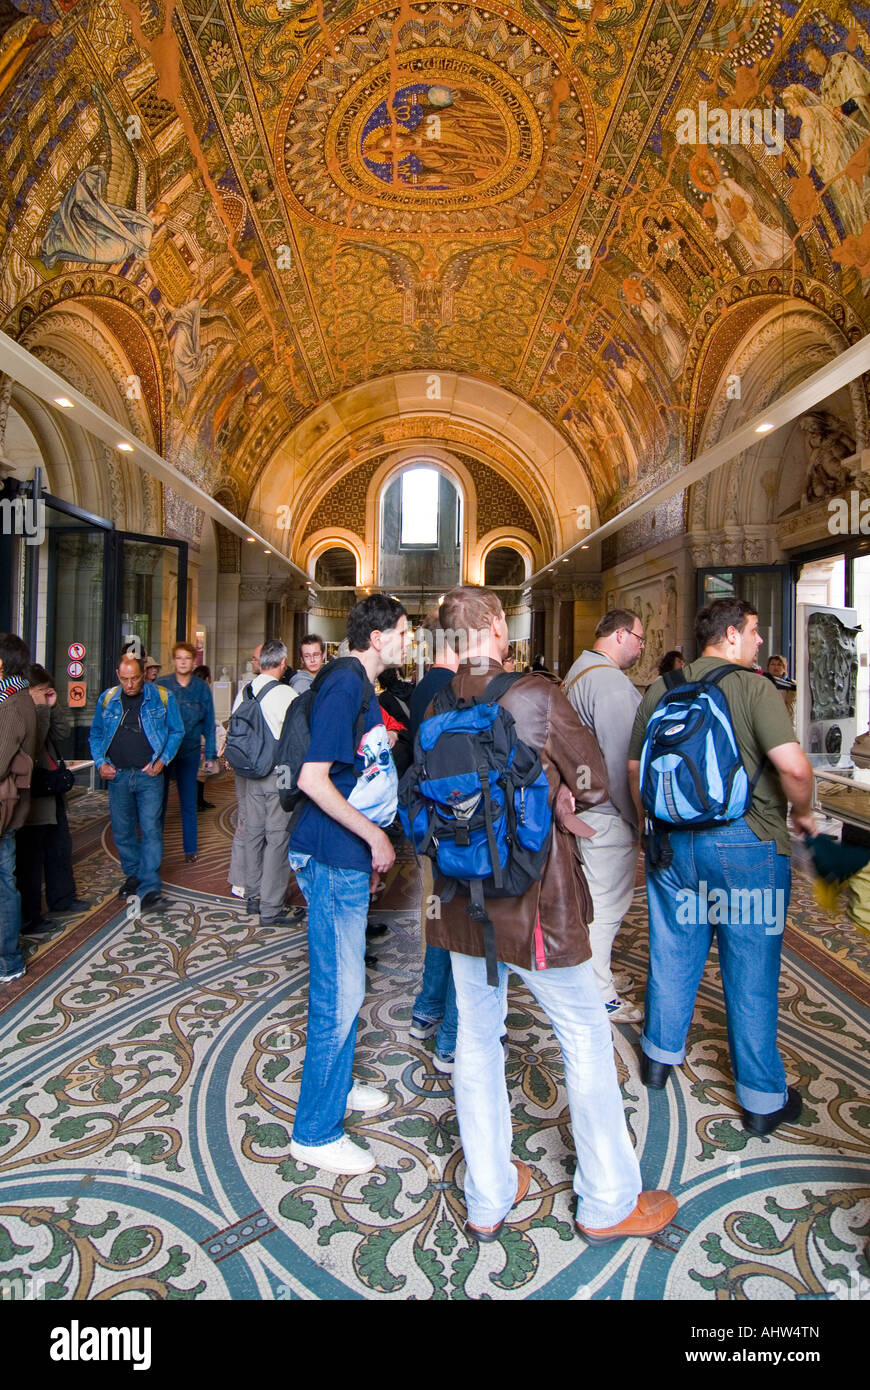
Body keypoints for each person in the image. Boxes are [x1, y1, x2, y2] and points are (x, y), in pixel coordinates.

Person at [426, 586, 677, 1244]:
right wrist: (560, 794)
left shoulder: (436, 700)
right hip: (535, 903)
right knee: (585, 1037)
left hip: (459, 903)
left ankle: (487, 1196)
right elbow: (594, 777)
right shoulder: (535, 694)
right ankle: (608, 1201)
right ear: (495, 628)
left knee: (477, 1044)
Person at [628, 598, 816, 1135]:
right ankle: (760, 1098)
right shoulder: (755, 687)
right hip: (747, 847)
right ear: (731, 636)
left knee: (672, 949)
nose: (759, 641)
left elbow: (635, 767)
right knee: (751, 968)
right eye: (754, 631)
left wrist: (652, 828)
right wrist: (801, 815)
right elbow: (794, 767)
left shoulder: (661, 690)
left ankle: (659, 1057)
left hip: (672, 847)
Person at [288, 595, 411, 1176]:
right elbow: (313, 779)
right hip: (331, 853)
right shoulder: (344, 685)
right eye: (407, 631)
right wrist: (375, 836)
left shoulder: (360, 687)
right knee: (337, 993)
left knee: (347, 985)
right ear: (380, 636)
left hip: (343, 855)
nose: (413, 641)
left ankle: (335, 1090)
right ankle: (315, 1130)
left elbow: (346, 768)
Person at [561, 609, 645, 1022]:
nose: (642, 647)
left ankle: (597, 972)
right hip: (609, 812)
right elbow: (620, 760)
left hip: (585, 806)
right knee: (607, 905)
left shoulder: (580, 669)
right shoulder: (609, 682)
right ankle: (598, 991)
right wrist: (637, 820)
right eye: (640, 638)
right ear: (620, 634)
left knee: (591, 899)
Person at [89, 652, 184, 910]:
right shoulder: (107, 699)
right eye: (125, 679)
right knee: (122, 831)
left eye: (135, 679)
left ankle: (150, 888)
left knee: (151, 829)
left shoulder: (163, 698)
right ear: (118, 676)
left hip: (148, 775)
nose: (130, 685)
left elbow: (177, 730)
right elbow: (96, 734)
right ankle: (134, 876)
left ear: (143, 675)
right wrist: (100, 763)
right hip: (117, 775)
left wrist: (163, 760)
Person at [407, 618, 461, 1072]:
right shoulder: (454, 690)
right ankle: (449, 1037)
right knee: (455, 919)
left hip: (428, 820)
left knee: (438, 912)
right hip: (454, 823)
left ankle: (427, 1008)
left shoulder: (422, 686)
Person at [15, 664, 89, 933]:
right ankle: (32, 916)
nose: (46, 694)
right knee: (31, 860)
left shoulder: (42, 708)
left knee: (60, 847)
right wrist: (44, 709)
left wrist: (53, 705)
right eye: (41, 691)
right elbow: (34, 742)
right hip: (34, 794)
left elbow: (61, 733)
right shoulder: (20, 712)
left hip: (51, 789)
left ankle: (63, 899)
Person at [230, 639, 297, 926]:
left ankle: (253, 897)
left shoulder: (245, 691)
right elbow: (296, 740)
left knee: (253, 834)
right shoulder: (287, 694)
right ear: (282, 663)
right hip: (277, 773)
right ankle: (271, 907)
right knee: (278, 838)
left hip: (249, 773)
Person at [157, 642, 219, 863]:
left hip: (190, 750)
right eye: (179, 658)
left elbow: (208, 723)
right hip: (164, 753)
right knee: (158, 802)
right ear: (173, 661)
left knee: (188, 801)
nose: (183, 662)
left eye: (187, 658)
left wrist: (210, 755)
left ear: (194, 662)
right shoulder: (161, 685)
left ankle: (190, 848)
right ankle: (156, 848)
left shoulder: (201, 689)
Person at [0, 633, 38, 983]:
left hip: (5, 804)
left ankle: (8, 960)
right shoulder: (17, 697)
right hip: (11, 804)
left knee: (3, 880)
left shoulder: (11, 703)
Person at [228, 644, 261, 901]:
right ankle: (240, 879)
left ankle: (257, 878)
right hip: (249, 766)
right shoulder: (245, 691)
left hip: (264, 766)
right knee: (246, 821)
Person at [192, 665, 225, 811]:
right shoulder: (199, 694)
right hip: (198, 738)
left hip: (200, 737)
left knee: (201, 773)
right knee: (199, 772)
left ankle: (199, 800)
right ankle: (196, 801)